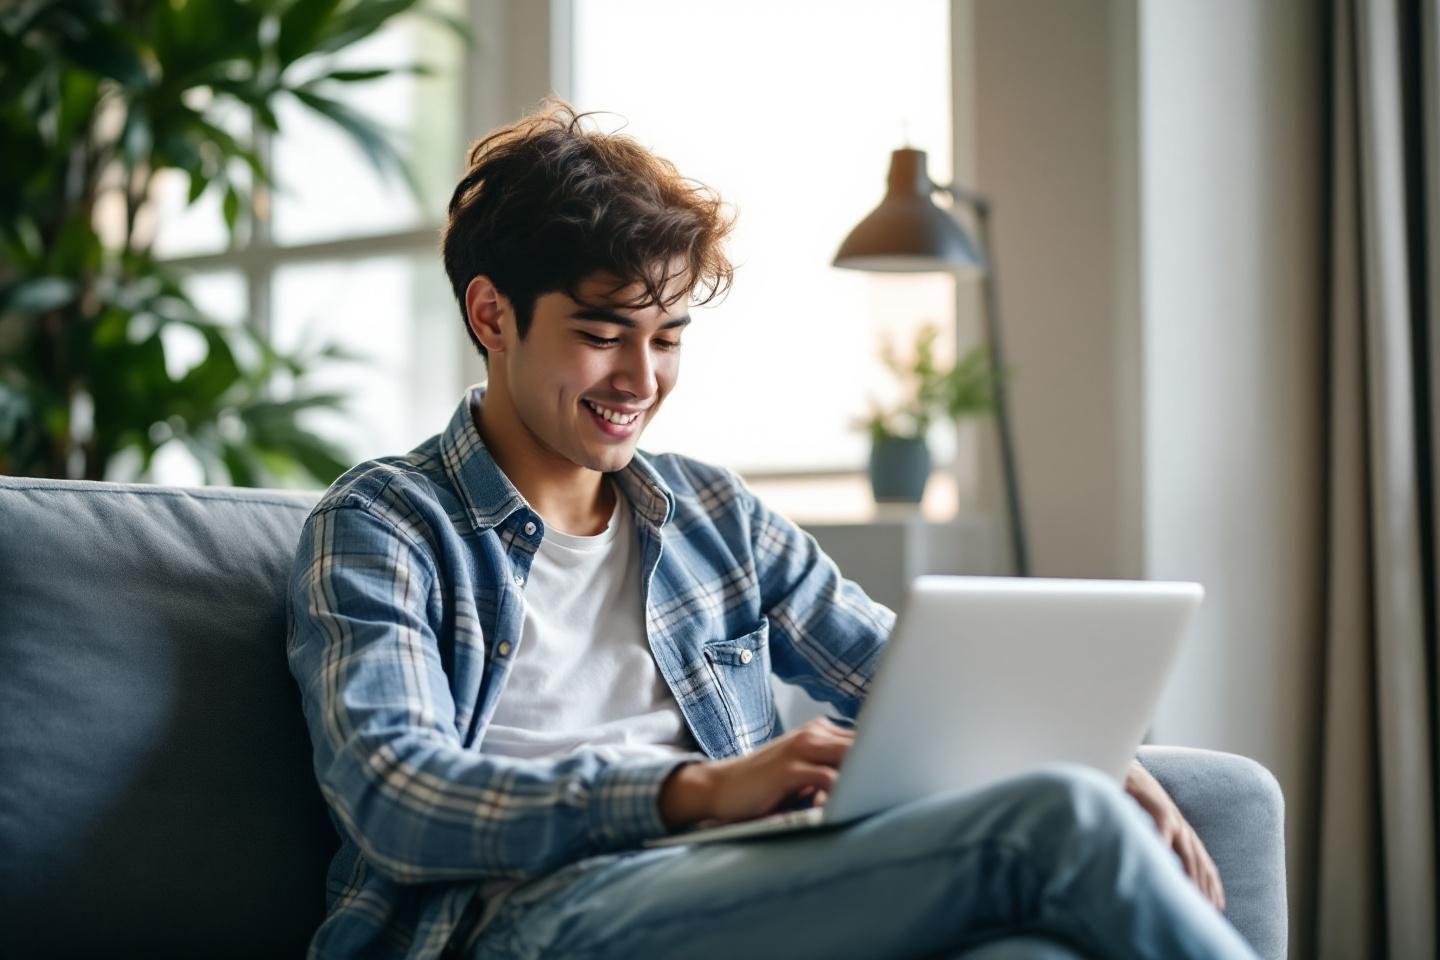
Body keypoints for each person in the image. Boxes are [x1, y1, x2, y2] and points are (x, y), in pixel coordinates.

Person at [286, 100, 1257, 960]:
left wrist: (1103, 752)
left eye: (666, 339)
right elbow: (395, 796)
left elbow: (904, 671)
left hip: (726, 887)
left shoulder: (713, 516)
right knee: (1054, 821)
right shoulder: (384, 525)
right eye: (600, 334)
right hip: (524, 921)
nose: (640, 380)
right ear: (492, 315)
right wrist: (696, 792)